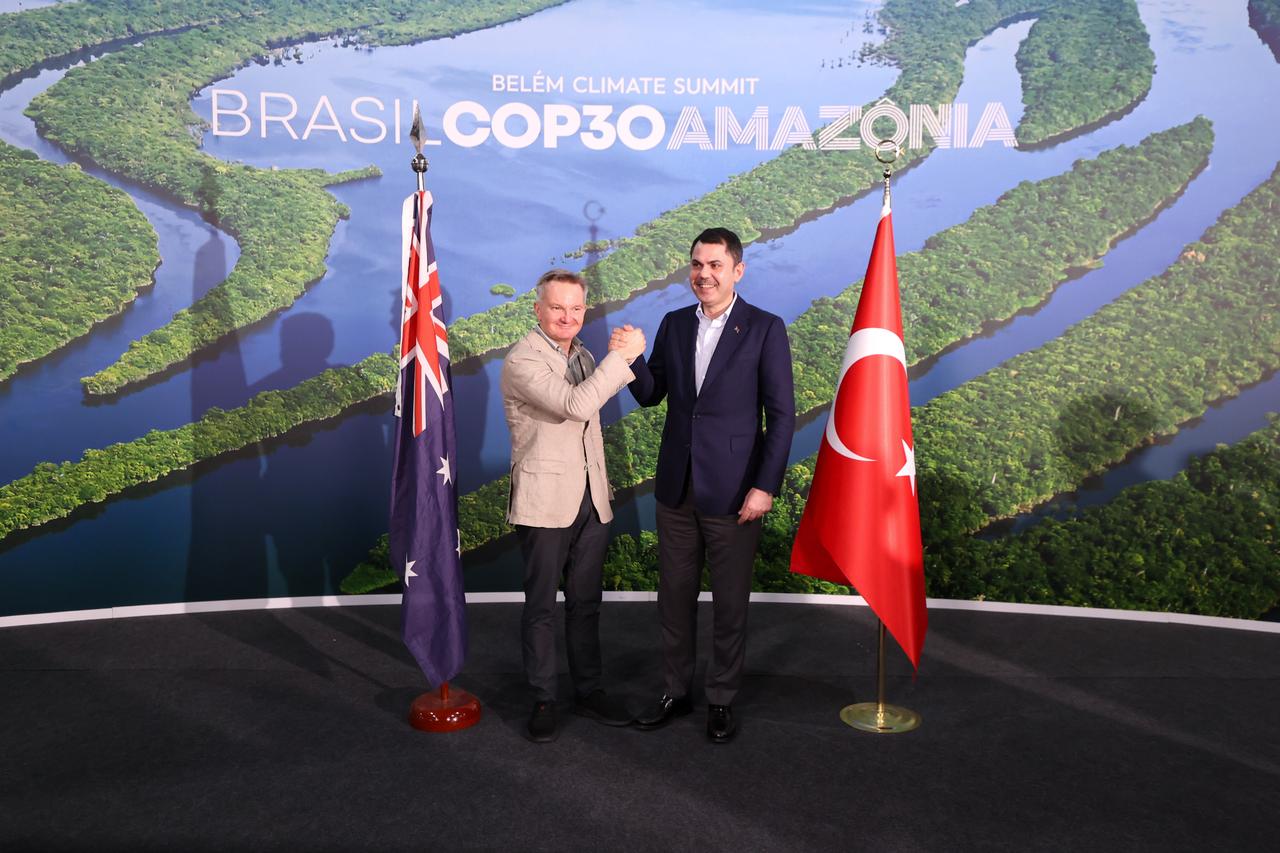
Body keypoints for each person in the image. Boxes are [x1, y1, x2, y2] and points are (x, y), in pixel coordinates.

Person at [612, 227, 794, 743]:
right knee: (673, 598)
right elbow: (652, 395)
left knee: (730, 602)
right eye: (696, 265)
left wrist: (765, 486)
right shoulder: (672, 324)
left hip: (737, 492)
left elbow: (781, 417)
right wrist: (630, 360)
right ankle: (675, 691)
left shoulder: (764, 328)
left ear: (737, 270)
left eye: (715, 265)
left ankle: (721, 698)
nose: (703, 274)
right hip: (676, 489)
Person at [501, 268, 646, 742]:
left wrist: (624, 358)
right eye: (558, 307)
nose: (567, 316)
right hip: (545, 502)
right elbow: (577, 405)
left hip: (591, 500)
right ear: (537, 309)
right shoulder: (523, 360)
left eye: (576, 308)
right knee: (541, 605)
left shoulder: (581, 353)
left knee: (586, 604)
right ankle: (544, 697)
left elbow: (596, 395)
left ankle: (588, 690)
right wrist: (620, 358)